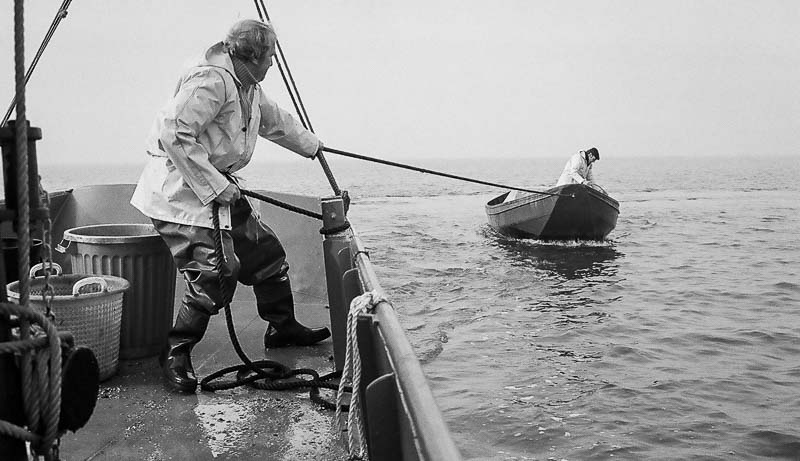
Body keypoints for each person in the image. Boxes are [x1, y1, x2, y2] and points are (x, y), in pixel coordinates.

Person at [130, 19, 330, 392]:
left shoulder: (247, 85)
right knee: (214, 273)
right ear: (252, 57)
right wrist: (217, 185)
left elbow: (275, 121)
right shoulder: (211, 81)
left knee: (265, 252)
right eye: (270, 56)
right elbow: (173, 132)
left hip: (216, 185)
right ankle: (175, 352)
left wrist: (312, 145)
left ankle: (281, 327)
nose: (273, 63)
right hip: (181, 192)